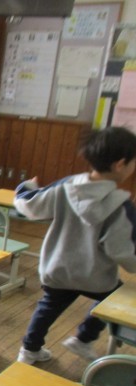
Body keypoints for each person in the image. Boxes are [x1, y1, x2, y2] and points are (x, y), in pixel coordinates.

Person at [14, 126, 136, 365]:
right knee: (113, 299)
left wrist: (26, 187)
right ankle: (84, 338)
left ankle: (29, 350)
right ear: (120, 164)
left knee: (48, 307)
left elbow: (29, 205)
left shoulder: (66, 186)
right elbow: (122, 250)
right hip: (95, 277)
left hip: (58, 269)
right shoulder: (121, 206)